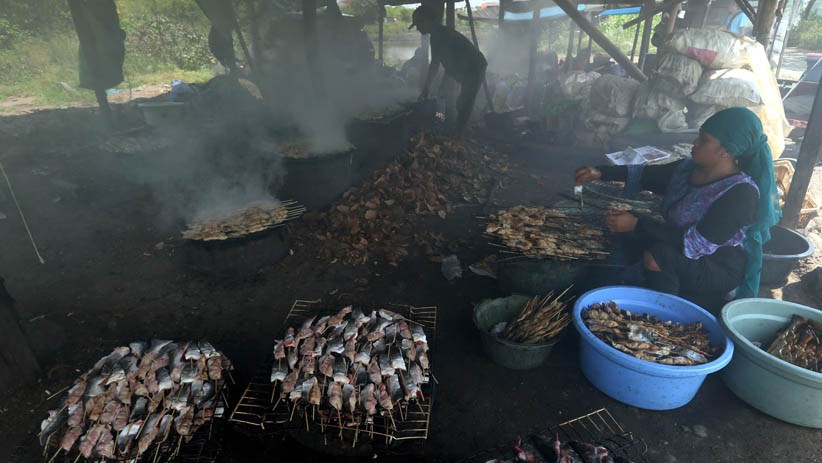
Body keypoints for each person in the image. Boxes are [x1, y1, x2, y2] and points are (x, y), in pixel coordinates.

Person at [574, 107, 781, 311]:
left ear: (726, 150)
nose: (695, 143)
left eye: (704, 140)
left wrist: (637, 225)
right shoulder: (688, 169)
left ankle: (665, 314)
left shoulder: (741, 194)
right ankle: (620, 280)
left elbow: (693, 245)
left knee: (658, 254)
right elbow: (645, 174)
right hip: (681, 247)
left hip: (716, 266)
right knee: (628, 222)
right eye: (698, 136)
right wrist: (600, 172)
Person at [409, 5, 488, 138]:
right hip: (470, 68)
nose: (417, 28)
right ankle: (459, 133)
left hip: (474, 68)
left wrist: (426, 90)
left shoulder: (438, 35)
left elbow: (434, 64)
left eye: (418, 24)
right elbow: (450, 61)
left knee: (463, 104)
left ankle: (459, 138)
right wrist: (442, 84)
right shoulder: (438, 33)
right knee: (460, 103)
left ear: (428, 21)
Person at [67, 0, 126, 125]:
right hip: (98, 40)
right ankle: (106, 116)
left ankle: (107, 117)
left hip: (103, 27)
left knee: (105, 48)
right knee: (100, 49)